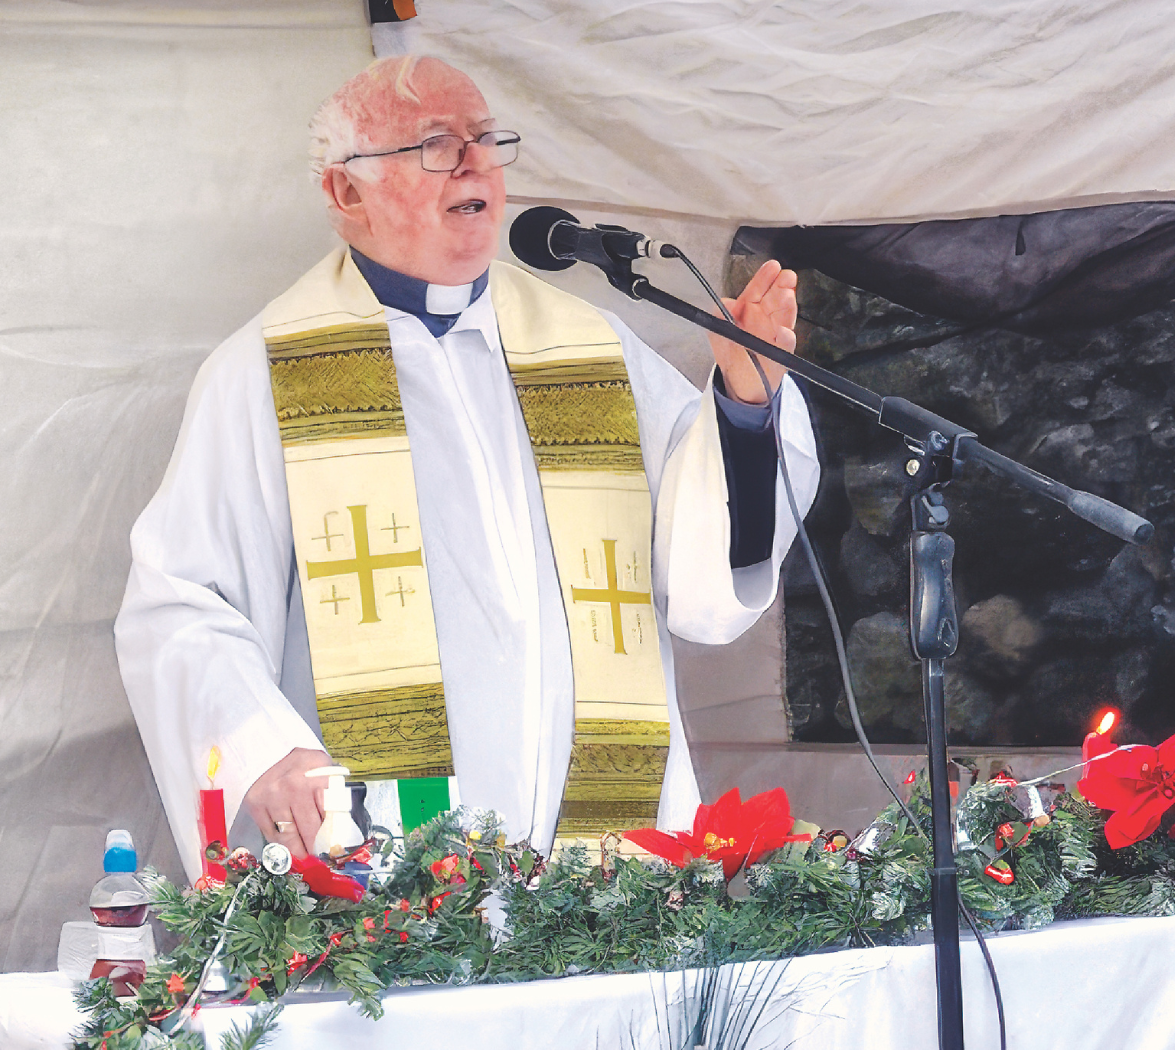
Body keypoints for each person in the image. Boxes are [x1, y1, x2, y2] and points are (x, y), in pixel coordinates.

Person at [114, 55, 819, 877]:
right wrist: (261, 749)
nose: (478, 164)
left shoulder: (587, 347)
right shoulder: (267, 373)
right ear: (346, 193)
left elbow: (703, 563)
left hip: (590, 847)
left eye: (488, 142)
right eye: (438, 147)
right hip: (387, 849)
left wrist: (742, 402)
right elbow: (181, 602)